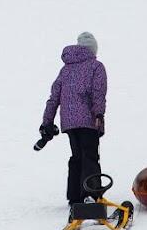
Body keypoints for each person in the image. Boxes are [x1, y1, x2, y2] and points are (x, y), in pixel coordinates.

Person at [39, 31, 107, 205]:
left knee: (77, 156)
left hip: (69, 122)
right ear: (93, 49)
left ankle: (75, 196)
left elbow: (54, 97)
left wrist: (47, 122)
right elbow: (98, 93)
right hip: (88, 119)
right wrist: (99, 114)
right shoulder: (96, 66)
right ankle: (90, 195)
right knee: (90, 156)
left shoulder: (65, 69)